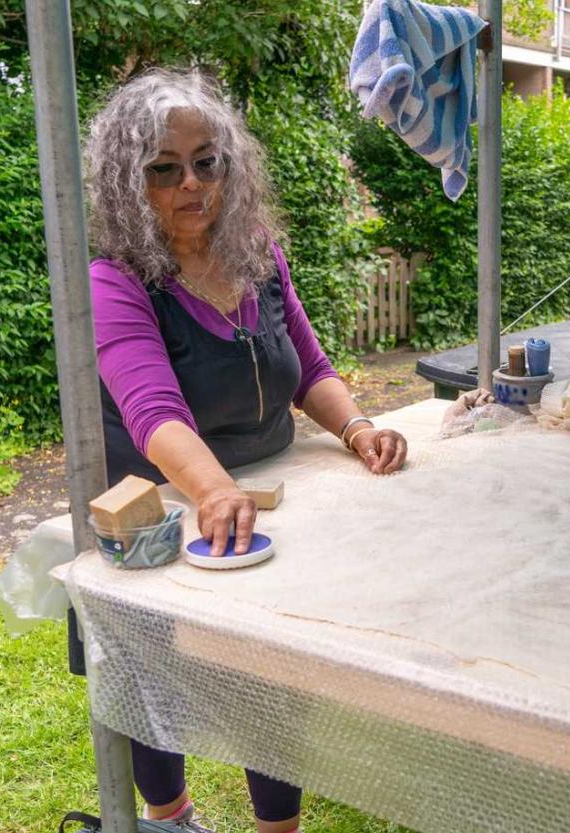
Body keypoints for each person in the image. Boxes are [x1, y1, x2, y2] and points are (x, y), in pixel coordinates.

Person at [83, 68, 407, 833]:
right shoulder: (117, 280)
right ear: (131, 181)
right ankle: (170, 818)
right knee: (150, 670)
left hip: (269, 499)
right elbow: (153, 411)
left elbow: (310, 367)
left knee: (271, 673)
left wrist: (357, 428)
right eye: (164, 168)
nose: (192, 182)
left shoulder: (256, 252)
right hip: (163, 503)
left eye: (207, 161)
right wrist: (212, 490)